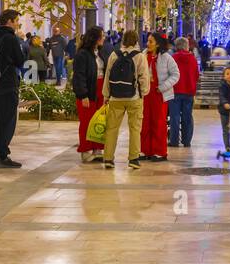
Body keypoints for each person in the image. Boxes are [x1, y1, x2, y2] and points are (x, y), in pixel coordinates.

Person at [101, 29, 150, 170]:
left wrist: (106, 95)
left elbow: (107, 76)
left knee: (112, 128)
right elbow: (144, 78)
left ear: (123, 40)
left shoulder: (114, 55)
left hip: (115, 98)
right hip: (134, 97)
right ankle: (133, 158)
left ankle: (108, 158)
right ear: (136, 40)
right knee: (135, 129)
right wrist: (144, 93)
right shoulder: (139, 56)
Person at [0, 9, 27, 168]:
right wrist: (22, 46)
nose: (18, 24)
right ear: (9, 21)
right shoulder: (11, 38)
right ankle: (2, 155)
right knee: (7, 122)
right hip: (7, 84)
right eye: (17, 20)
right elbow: (20, 60)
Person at [140, 33, 178, 160]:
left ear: (157, 43)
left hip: (159, 94)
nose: (148, 44)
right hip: (146, 94)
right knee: (145, 122)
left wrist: (163, 87)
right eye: (148, 41)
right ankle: (145, 150)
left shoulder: (167, 57)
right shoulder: (143, 56)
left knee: (159, 122)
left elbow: (175, 75)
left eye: (150, 41)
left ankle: (160, 151)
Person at [72, 26, 106, 162]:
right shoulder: (82, 54)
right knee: (87, 121)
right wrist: (82, 94)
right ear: (95, 38)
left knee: (99, 121)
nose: (104, 38)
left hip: (100, 90)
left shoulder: (100, 53)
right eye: (102, 36)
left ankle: (98, 148)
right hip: (88, 91)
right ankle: (86, 150)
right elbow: (78, 76)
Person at [169, 37, 199, 148]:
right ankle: (187, 141)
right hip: (189, 91)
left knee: (174, 117)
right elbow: (196, 75)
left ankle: (174, 141)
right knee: (187, 116)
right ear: (186, 46)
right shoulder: (192, 58)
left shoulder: (173, 58)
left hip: (175, 91)